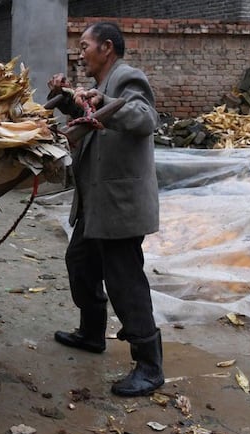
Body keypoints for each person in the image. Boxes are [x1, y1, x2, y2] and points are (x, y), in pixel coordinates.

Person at [46, 22, 163, 397]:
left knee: (124, 280)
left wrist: (105, 104)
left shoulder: (127, 78)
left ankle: (149, 365)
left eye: (85, 46)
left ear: (107, 47)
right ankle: (92, 333)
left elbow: (144, 117)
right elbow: (90, 115)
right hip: (96, 202)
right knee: (80, 263)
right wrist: (65, 98)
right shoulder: (103, 83)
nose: (80, 52)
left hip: (120, 204)